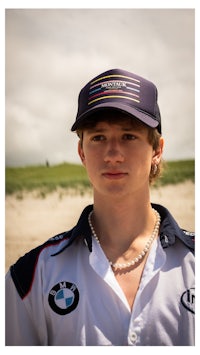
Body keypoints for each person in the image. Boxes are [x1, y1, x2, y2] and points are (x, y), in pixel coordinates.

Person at [5, 68, 195, 346]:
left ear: (157, 149)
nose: (113, 154)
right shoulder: (31, 276)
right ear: (81, 152)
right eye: (98, 137)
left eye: (129, 136)